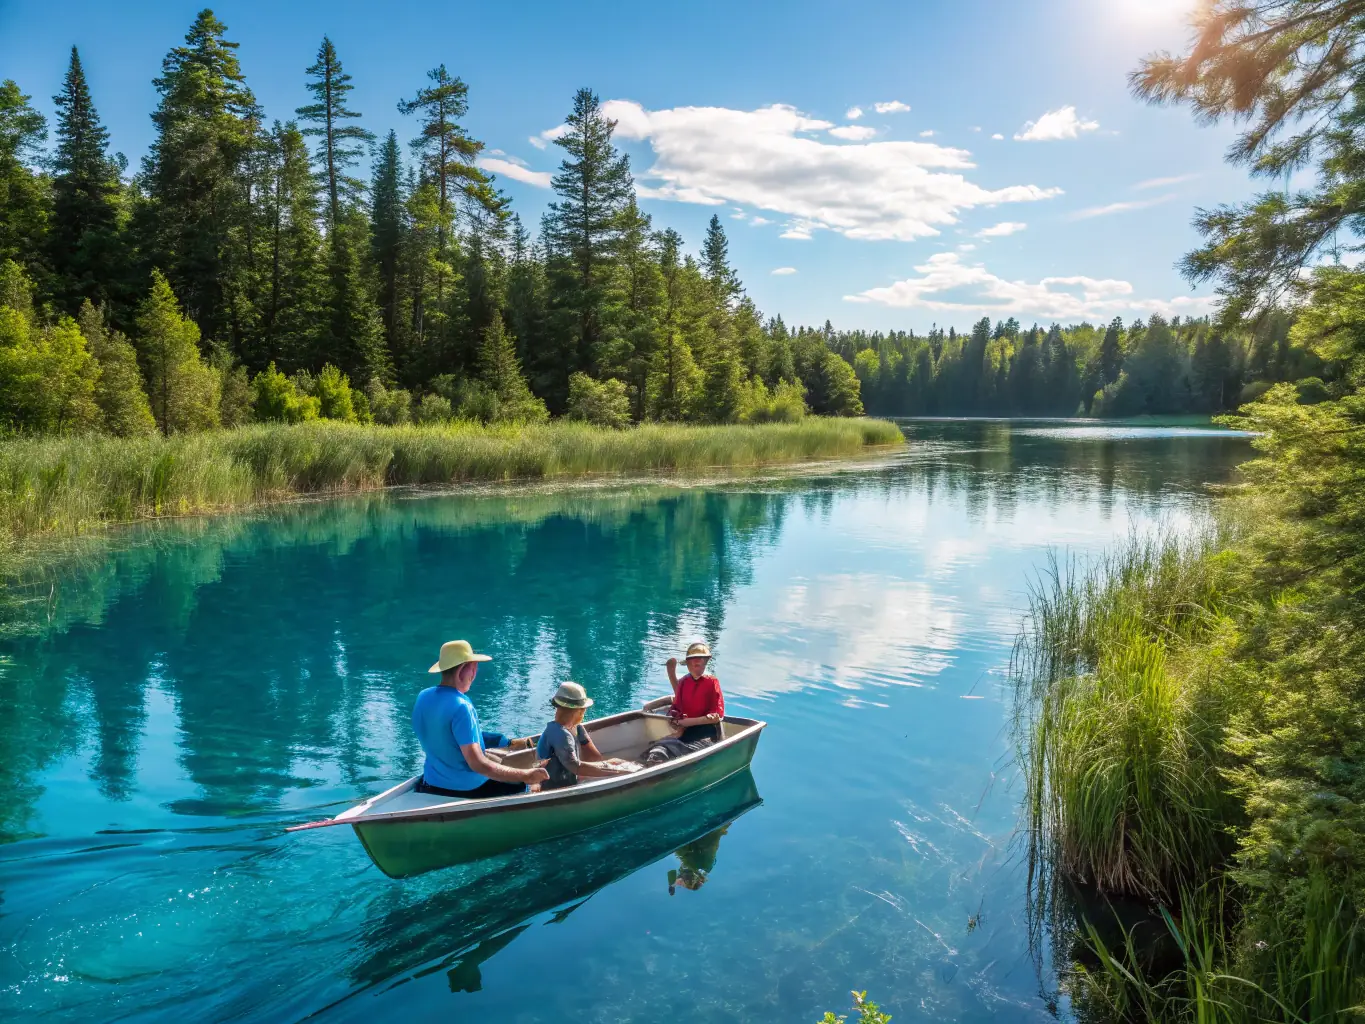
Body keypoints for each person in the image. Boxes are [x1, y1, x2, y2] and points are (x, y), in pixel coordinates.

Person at [411, 640, 548, 799]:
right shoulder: (462, 706)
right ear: (462, 669)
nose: (474, 675)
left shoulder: (423, 697)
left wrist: (503, 742)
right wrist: (526, 775)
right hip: (465, 789)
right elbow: (478, 764)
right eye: (473, 668)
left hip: (431, 783)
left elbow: (450, 735)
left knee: (498, 760)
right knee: (527, 784)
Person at [536, 682, 638, 790]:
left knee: (616, 762)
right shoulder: (560, 734)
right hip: (555, 787)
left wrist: (612, 764)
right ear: (578, 710)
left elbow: (595, 758)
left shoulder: (576, 728)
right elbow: (576, 767)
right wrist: (617, 771)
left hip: (569, 778)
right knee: (618, 768)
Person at [642, 641, 726, 765]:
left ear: (706, 662)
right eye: (693, 660)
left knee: (670, 750)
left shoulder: (712, 682)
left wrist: (701, 720)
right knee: (656, 750)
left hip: (706, 734)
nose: (697, 663)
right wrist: (677, 725)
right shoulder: (684, 682)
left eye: (701, 659)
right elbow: (677, 709)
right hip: (686, 733)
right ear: (687, 663)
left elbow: (716, 715)